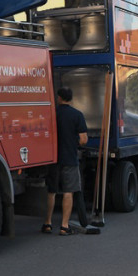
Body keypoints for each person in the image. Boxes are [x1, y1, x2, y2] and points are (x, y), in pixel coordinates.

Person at [43, 87, 88, 236]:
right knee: (68, 192)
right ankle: (64, 226)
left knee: (52, 191)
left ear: (59, 98)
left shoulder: (51, 114)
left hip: (53, 158)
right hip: (70, 158)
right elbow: (83, 139)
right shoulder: (77, 115)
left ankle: (48, 223)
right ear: (71, 98)